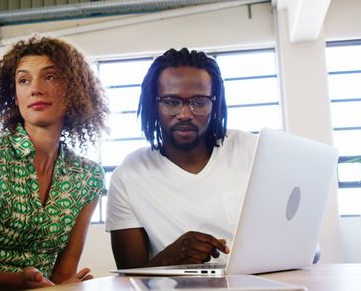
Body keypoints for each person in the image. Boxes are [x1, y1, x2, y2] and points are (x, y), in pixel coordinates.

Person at [0, 35, 110, 290]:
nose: (35, 88)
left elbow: (62, 276)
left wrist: (65, 286)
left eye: (49, 76)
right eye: (24, 80)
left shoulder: (87, 176)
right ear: (15, 95)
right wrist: (17, 283)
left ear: (74, 89)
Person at [105, 48, 258, 269]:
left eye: (199, 101)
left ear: (215, 103)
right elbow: (130, 280)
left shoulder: (250, 150)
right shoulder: (129, 175)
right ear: (153, 105)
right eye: (170, 101)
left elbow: (302, 245)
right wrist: (171, 258)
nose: (185, 114)